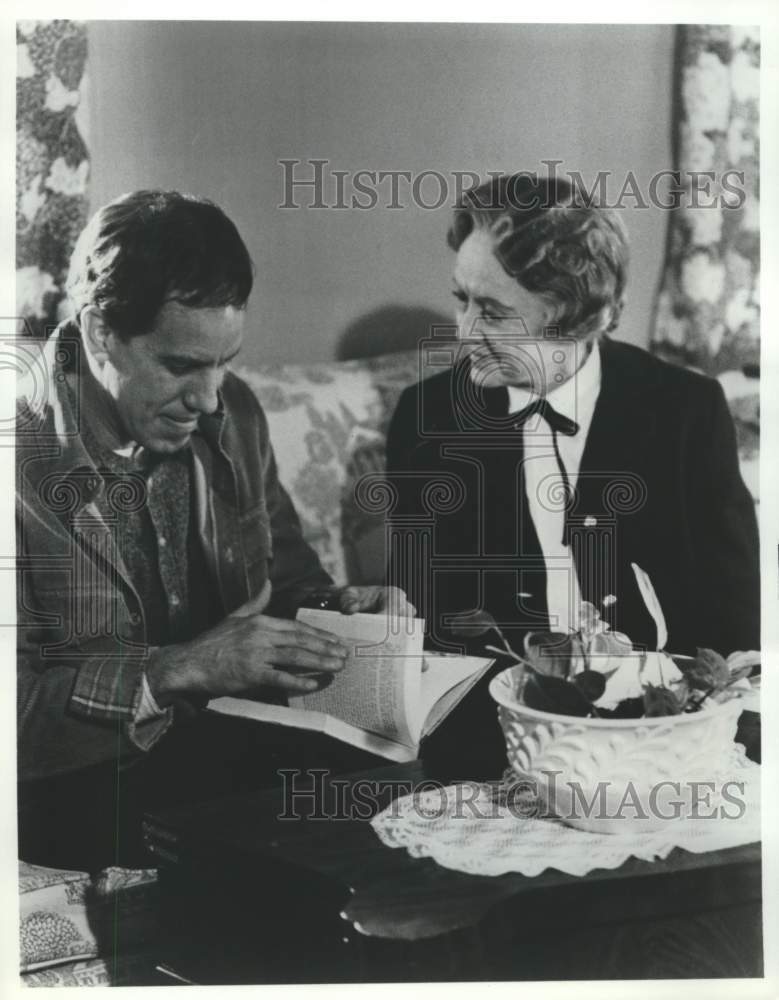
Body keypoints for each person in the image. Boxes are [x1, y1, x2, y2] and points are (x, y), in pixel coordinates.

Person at [16, 190, 412, 867]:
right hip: (75, 784)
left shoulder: (235, 415)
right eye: (180, 365)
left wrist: (335, 611)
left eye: (224, 362)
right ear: (99, 332)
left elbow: (288, 580)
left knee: (408, 795)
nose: (208, 399)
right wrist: (179, 669)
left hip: (228, 746)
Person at [386, 172, 759, 673]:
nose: (464, 330)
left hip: (663, 722)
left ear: (577, 318)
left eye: (493, 312)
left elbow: (738, 620)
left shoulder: (686, 411)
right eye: (461, 299)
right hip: (496, 719)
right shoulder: (427, 419)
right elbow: (419, 621)